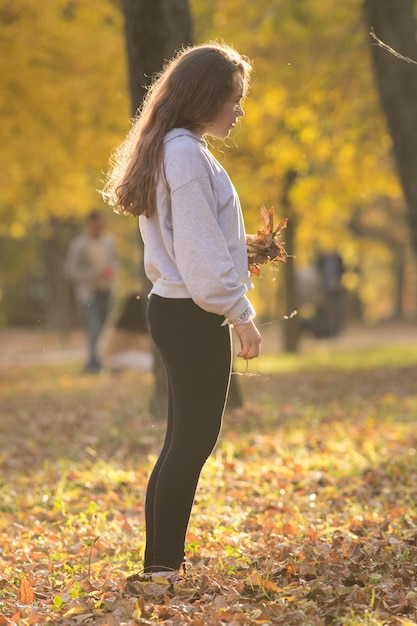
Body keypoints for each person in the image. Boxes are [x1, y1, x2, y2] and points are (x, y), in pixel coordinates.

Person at [102, 42, 261, 584]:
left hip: (179, 307)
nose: (239, 109)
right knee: (190, 442)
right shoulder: (186, 154)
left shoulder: (178, 148)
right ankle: (161, 569)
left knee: (183, 442)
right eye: (234, 98)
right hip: (192, 312)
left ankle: (162, 566)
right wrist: (240, 312)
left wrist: (243, 248)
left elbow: (194, 238)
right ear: (207, 95)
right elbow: (196, 252)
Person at [65, 210, 118, 373]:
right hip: (88, 294)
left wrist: (111, 271)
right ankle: (93, 364)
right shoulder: (79, 245)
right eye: (96, 225)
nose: (99, 228)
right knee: (93, 327)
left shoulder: (108, 242)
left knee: (103, 328)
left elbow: (115, 262)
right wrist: (94, 275)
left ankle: (100, 361)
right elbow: (71, 270)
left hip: (106, 291)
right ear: (89, 224)